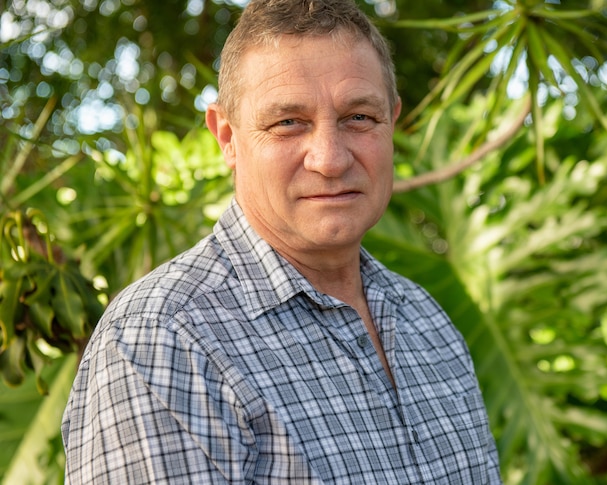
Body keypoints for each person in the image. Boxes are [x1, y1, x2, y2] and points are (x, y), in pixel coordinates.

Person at [61, 0, 501, 482]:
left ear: (391, 123)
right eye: (288, 122)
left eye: (359, 118)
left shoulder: (426, 322)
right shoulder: (162, 341)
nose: (330, 160)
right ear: (227, 137)